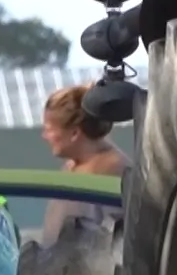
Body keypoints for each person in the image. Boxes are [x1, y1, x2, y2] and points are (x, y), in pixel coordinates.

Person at [39, 83, 129, 245]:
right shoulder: (71, 167)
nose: (44, 136)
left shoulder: (114, 172)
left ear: (74, 133)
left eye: (49, 129)